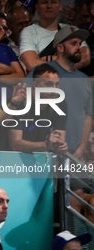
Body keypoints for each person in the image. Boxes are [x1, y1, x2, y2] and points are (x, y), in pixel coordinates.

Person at [24, 26, 92, 213]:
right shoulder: (44, 71)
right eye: (73, 43)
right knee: (44, 207)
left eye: (80, 43)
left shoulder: (84, 78)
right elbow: (25, 100)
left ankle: (73, 243)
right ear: (60, 48)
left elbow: (88, 116)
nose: (79, 47)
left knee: (76, 205)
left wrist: (81, 147)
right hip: (43, 154)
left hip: (74, 154)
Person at [9, 63, 68, 154]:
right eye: (49, 85)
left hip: (35, 155)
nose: (54, 89)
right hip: (6, 156)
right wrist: (46, 145)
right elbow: (15, 144)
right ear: (36, 84)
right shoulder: (19, 101)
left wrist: (59, 146)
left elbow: (59, 139)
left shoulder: (59, 104)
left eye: (57, 85)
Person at [19, 0, 90, 72]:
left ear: (60, 6)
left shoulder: (72, 30)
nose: (49, 6)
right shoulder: (28, 32)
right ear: (37, 7)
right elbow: (32, 64)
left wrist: (49, 59)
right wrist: (70, 60)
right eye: (44, 2)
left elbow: (85, 59)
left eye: (53, 2)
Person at [6, 6, 32, 73]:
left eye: (26, 23)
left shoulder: (36, 42)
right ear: (9, 25)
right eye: (19, 24)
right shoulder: (4, 46)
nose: (24, 27)